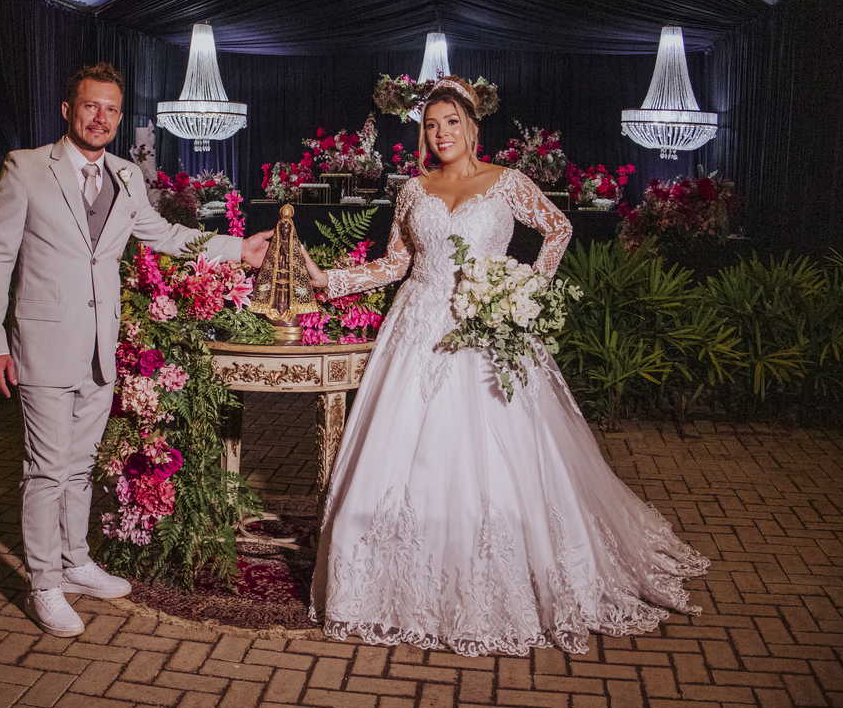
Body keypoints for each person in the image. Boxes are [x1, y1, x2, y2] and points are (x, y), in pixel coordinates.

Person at [302, 76, 709, 656]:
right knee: (399, 452)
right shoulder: (413, 190)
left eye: (451, 122)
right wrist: (328, 279)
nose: (441, 133)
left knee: (498, 455)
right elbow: (395, 264)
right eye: (431, 125)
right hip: (417, 328)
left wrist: (522, 290)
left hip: (485, 329)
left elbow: (559, 228)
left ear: (472, 127)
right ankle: (380, 589)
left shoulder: (507, 182)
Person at [0, 63, 271, 638]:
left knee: (81, 466)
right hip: (43, 343)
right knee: (46, 470)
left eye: (111, 109)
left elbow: (166, 236)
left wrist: (239, 249)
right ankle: (44, 583)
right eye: (91, 106)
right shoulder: (27, 168)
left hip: (99, 348)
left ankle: (75, 561)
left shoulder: (128, 176)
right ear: (68, 109)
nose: (101, 118)